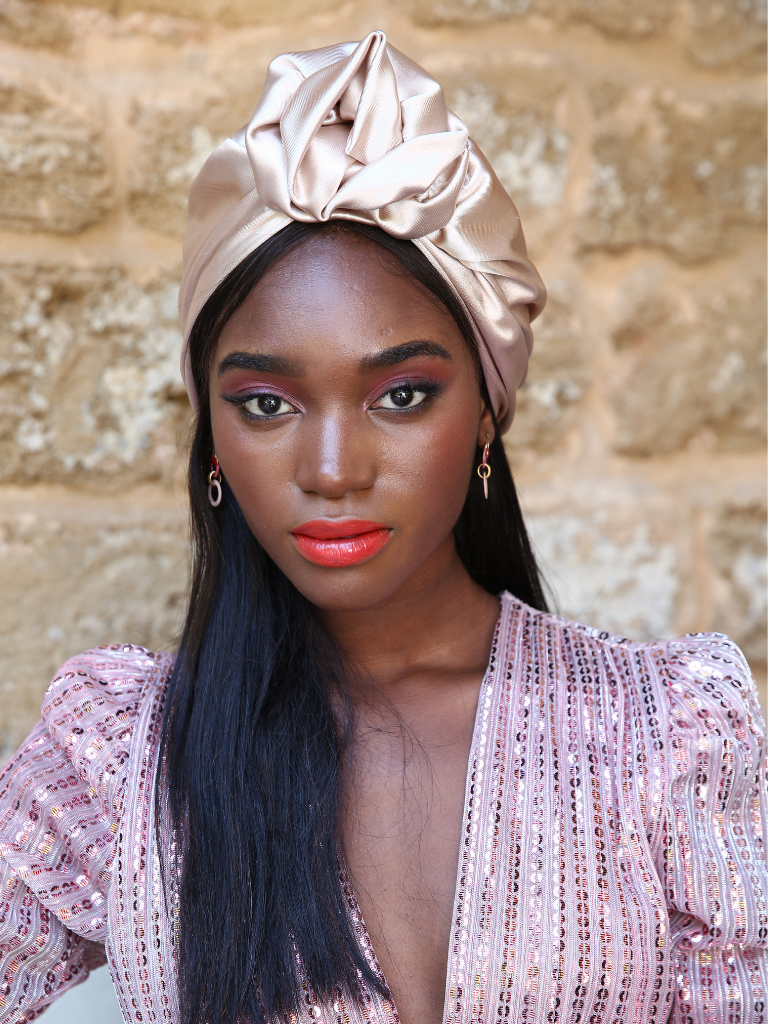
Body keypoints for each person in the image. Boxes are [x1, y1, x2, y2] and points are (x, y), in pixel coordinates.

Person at [0, 30, 766, 1024]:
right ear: (214, 441)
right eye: (267, 404)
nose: (331, 469)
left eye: (402, 394)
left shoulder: (668, 737)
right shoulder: (122, 753)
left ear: (487, 408)